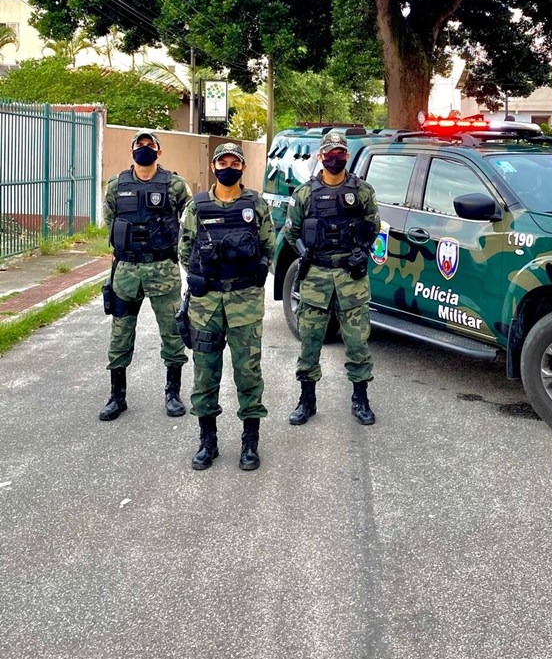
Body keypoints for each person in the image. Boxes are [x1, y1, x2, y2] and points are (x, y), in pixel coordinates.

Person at [179, 143, 275, 471]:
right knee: (205, 374)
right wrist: (199, 275)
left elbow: (268, 246)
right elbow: (185, 249)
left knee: (248, 373)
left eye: (235, 162)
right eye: (223, 161)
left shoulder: (255, 205)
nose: (229, 167)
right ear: (214, 165)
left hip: (245, 303)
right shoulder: (197, 206)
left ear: (243, 168)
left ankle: (250, 442)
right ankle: (208, 441)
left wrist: (256, 269)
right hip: (206, 305)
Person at [284, 129, 381, 426]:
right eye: (329, 154)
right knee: (310, 341)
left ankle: (360, 399)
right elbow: (291, 231)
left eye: (340, 154)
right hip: (316, 276)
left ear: (347, 156)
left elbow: (372, 226)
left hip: (350, 277)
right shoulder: (304, 194)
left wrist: (362, 251)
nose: (334, 159)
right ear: (320, 156)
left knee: (357, 342)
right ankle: (306, 400)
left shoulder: (362, 191)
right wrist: (305, 253)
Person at [100, 130, 191, 421]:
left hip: (163, 270)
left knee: (173, 333)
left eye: (150, 145)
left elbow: (189, 222)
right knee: (120, 334)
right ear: (132, 150)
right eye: (139, 145)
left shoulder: (175, 185)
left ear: (159, 152)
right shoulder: (116, 186)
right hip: (126, 272)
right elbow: (110, 221)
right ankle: (117, 396)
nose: (144, 149)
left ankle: (173, 393)